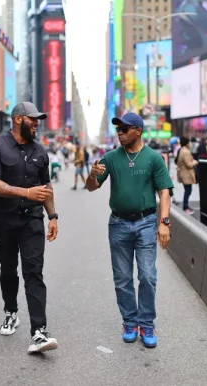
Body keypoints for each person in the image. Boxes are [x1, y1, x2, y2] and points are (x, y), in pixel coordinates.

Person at [85, 112, 174, 349]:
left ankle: (146, 323)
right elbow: (91, 187)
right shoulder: (111, 157)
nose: (120, 133)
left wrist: (164, 223)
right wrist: (92, 177)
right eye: (118, 129)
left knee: (147, 276)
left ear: (138, 130)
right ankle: (129, 322)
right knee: (122, 278)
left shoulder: (154, 158)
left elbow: (164, 191)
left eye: (124, 129)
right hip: (118, 224)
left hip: (146, 222)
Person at [0, 101, 60, 354]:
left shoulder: (40, 152)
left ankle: (39, 331)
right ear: (17, 120)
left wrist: (53, 216)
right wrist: (26, 192)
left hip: (32, 221)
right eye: (32, 119)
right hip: (3, 221)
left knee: (34, 272)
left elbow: (46, 188)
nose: (37, 123)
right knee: (8, 270)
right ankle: (11, 311)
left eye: (38, 119)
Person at [175, 136, 200, 215]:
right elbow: (189, 164)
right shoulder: (186, 152)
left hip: (183, 174)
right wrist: (195, 162)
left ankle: (186, 206)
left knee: (188, 190)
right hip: (186, 174)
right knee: (188, 191)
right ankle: (185, 207)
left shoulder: (181, 150)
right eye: (188, 142)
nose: (189, 144)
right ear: (186, 143)